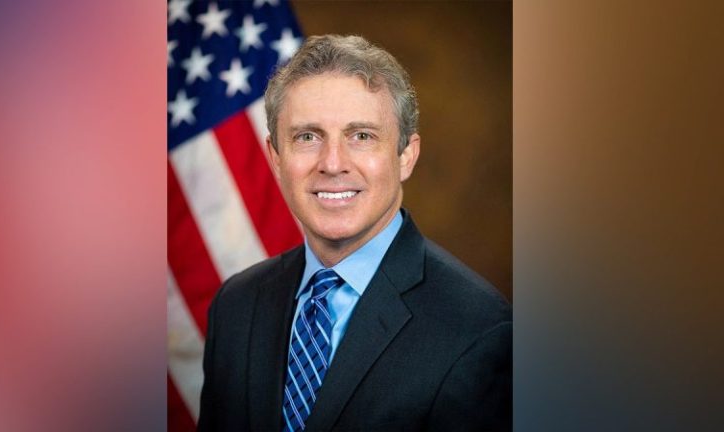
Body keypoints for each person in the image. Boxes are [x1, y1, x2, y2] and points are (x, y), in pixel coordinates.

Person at [197, 34, 511, 432]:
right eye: (307, 137)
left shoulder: (478, 330)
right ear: (276, 157)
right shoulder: (236, 306)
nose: (332, 164)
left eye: (361, 136)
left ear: (406, 156)